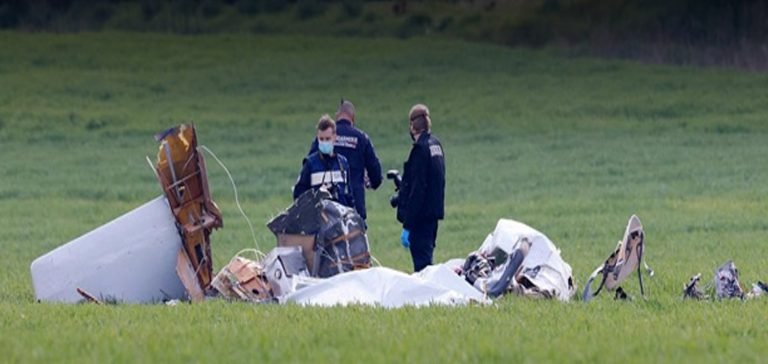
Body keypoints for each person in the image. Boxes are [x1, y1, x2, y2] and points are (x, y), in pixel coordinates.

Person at [308, 100, 382, 220]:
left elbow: (309, 166)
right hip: (354, 208)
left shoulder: (325, 136)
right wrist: (369, 182)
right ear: (353, 118)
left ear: (337, 117)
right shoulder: (362, 138)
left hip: (326, 209)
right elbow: (376, 176)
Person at [396, 104, 445, 272]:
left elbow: (418, 189)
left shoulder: (420, 150)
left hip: (420, 219)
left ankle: (428, 298)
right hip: (433, 216)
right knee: (427, 261)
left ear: (412, 126)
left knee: (423, 268)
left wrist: (408, 225)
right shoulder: (436, 145)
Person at [294, 115, 354, 208]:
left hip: (339, 218)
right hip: (317, 218)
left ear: (334, 137)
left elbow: (349, 196)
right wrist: (317, 196)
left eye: (327, 139)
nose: (324, 142)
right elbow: (298, 196)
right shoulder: (310, 164)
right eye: (321, 139)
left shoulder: (343, 163)